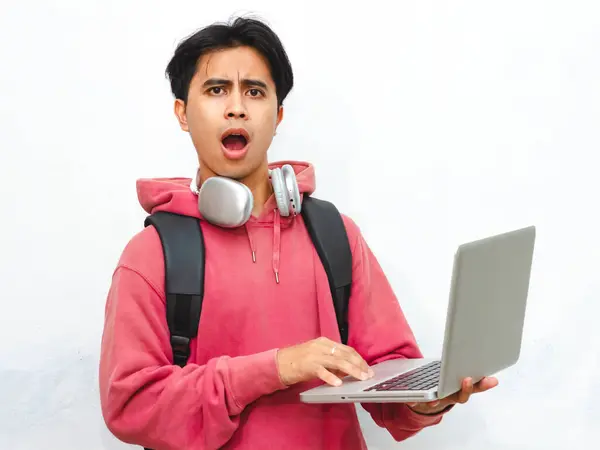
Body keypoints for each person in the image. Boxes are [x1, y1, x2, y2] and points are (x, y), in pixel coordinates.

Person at [98, 15, 498, 450]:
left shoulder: (334, 235)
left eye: (254, 91)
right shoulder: (152, 254)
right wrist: (275, 367)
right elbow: (132, 406)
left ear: (278, 114)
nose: (237, 107)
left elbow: (386, 374)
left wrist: (426, 400)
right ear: (182, 113)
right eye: (216, 90)